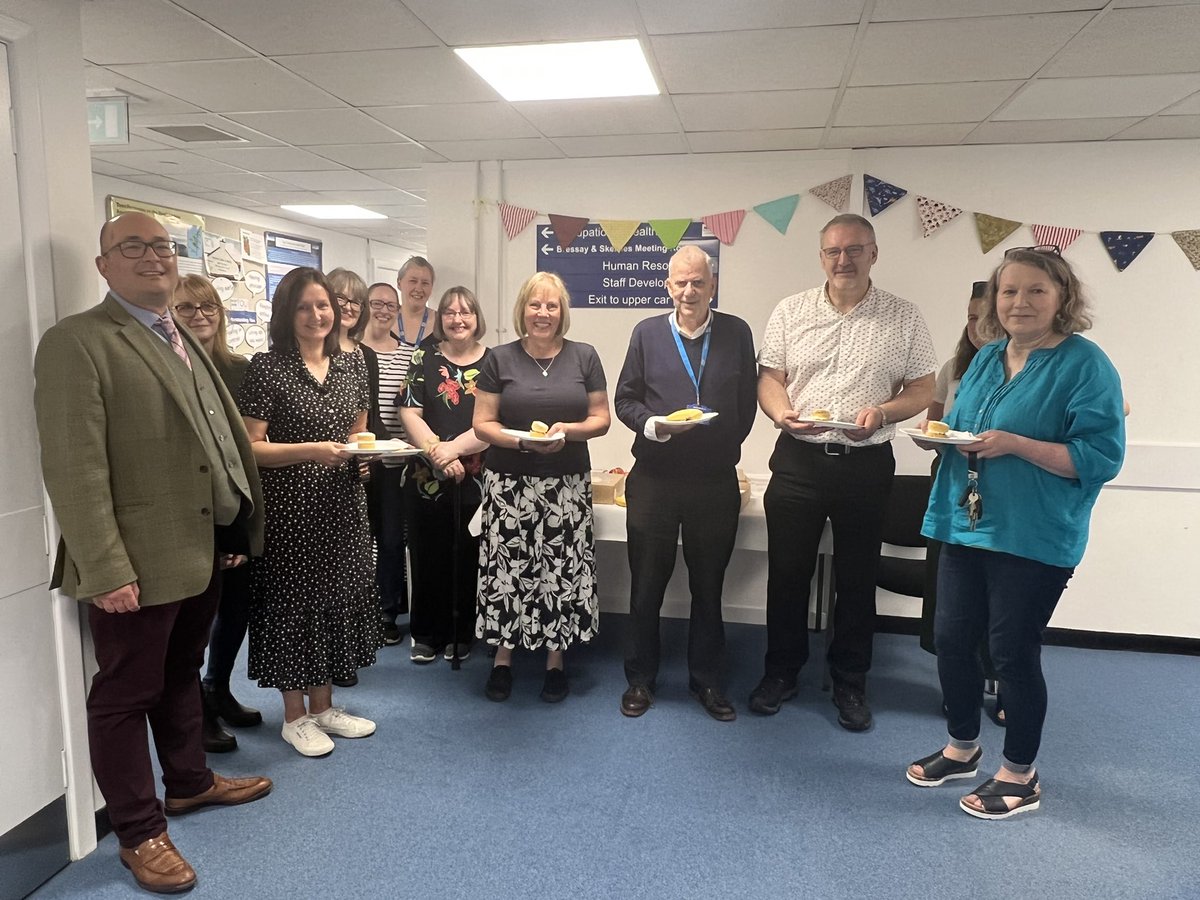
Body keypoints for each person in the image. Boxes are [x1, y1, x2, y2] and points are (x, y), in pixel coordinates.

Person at [33, 213, 271, 894]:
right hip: (134, 562)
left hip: (200, 550)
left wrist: (230, 529)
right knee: (123, 693)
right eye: (132, 247)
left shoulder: (180, 336)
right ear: (103, 264)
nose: (152, 258)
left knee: (179, 673)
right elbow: (74, 469)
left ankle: (190, 782)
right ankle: (139, 830)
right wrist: (105, 566)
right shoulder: (77, 343)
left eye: (162, 247)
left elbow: (210, 443)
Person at [905, 246, 1124, 819]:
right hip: (965, 522)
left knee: (1010, 653)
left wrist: (1014, 444)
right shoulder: (987, 357)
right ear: (993, 301)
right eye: (1009, 291)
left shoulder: (1085, 364)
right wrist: (941, 437)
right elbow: (968, 427)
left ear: (1061, 299)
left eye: (1035, 291)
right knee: (951, 641)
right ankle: (962, 747)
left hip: (1035, 535)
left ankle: (1020, 774)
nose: (1019, 302)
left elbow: (1099, 457)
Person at [753, 213, 937, 730]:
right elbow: (769, 378)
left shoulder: (903, 316)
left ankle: (851, 682)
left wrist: (883, 413)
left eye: (855, 249)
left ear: (874, 254)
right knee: (787, 575)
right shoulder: (791, 311)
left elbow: (921, 390)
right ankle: (781, 672)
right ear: (821, 257)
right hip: (798, 461)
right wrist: (778, 410)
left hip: (866, 464)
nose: (843, 260)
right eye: (833, 251)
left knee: (857, 580)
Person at [239, 266, 381, 758]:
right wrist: (310, 450)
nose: (317, 315)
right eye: (305, 307)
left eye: (323, 305)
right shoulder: (266, 368)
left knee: (336, 603)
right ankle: (294, 715)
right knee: (292, 609)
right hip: (289, 511)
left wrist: (363, 460)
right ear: (287, 313)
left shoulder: (354, 364)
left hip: (342, 508)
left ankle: (324, 708)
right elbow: (250, 448)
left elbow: (359, 435)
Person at [613, 246, 757, 722]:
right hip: (654, 477)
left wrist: (715, 445)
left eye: (698, 282)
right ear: (668, 286)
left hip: (714, 481)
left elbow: (746, 405)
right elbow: (625, 399)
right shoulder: (646, 333)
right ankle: (640, 679)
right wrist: (656, 427)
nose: (689, 291)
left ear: (712, 285)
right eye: (681, 282)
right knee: (646, 585)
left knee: (709, 586)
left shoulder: (736, 332)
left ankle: (708, 681)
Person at [472, 272, 610, 703]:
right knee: (508, 571)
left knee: (560, 572)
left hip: (566, 485)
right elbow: (482, 423)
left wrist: (566, 431)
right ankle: (502, 659)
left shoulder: (584, 356)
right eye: (535, 305)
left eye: (551, 306)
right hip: (509, 484)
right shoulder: (498, 358)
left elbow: (601, 418)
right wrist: (521, 440)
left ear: (562, 312)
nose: (543, 313)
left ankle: (556, 660)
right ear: (523, 310)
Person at [172, 275, 262, 752]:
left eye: (207, 307)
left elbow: (248, 449)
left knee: (235, 609)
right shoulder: (170, 367)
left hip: (236, 509)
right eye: (186, 309)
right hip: (189, 512)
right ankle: (196, 713)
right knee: (195, 620)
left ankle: (218, 687)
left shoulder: (241, 370)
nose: (199, 316)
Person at [916, 281, 1005, 722]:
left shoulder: (1036, 367)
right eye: (971, 318)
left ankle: (1004, 682)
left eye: (985, 318)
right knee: (951, 596)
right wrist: (931, 436)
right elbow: (933, 430)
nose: (977, 327)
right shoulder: (954, 367)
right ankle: (959, 685)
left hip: (1004, 489)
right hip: (951, 484)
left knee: (1002, 595)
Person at [398, 287, 491, 664]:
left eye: (465, 312)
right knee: (427, 555)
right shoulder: (424, 357)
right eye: (450, 313)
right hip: (427, 474)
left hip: (477, 476)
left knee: (468, 556)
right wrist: (438, 452)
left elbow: (494, 422)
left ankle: (460, 633)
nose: (457, 319)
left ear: (476, 318)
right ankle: (426, 633)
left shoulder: (494, 362)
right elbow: (409, 411)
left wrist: (456, 451)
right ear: (441, 320)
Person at [327, 267, 390, 676]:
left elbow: (370, 423)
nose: (348, 308)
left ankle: (346, 651)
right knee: (323, 572)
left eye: (356, 301)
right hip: (314, 475)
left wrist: (384, 454)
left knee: (356, 568)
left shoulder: (364, 355)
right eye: (340, 299)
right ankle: (323, 657)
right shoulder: (303, 350)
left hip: (358, 475)